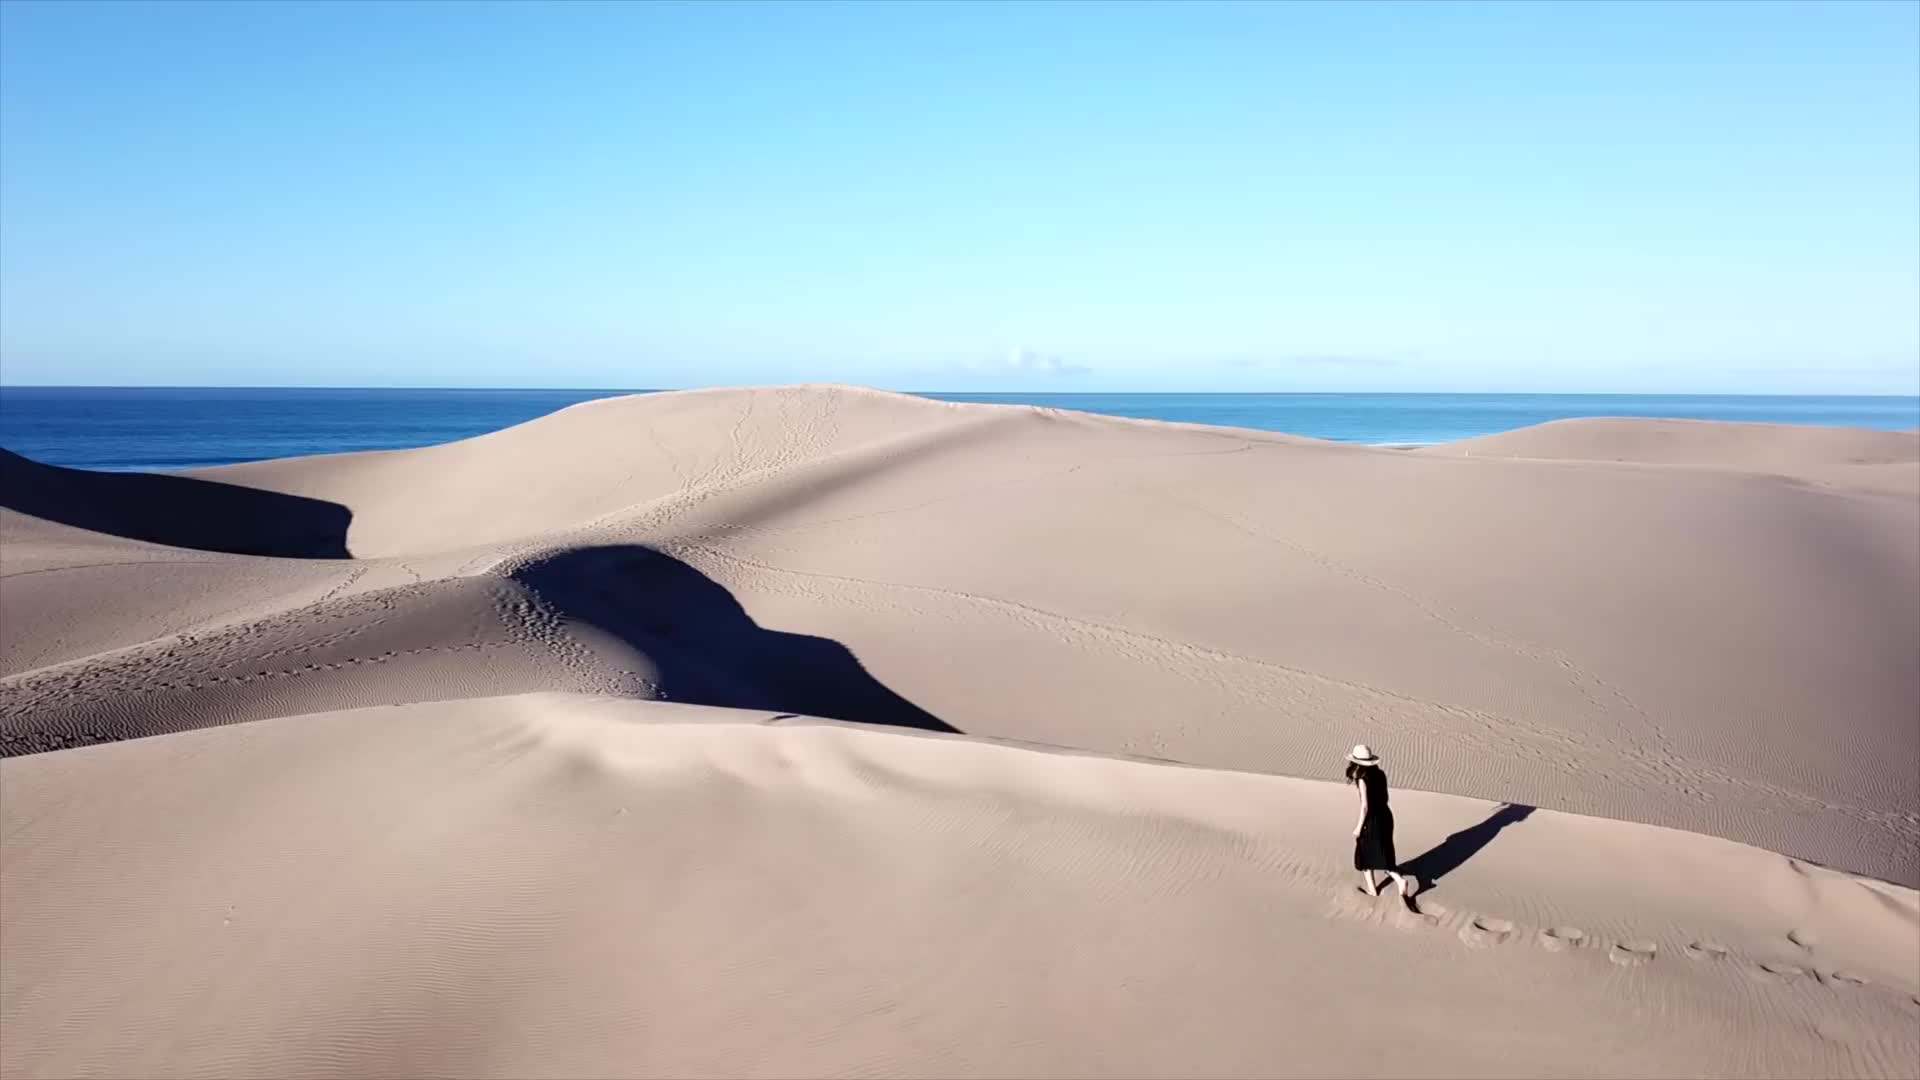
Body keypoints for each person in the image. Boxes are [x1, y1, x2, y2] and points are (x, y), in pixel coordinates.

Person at [1346, 744, 1411, 900]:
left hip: (1372, 819)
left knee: (1364, 855)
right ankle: (1399, 880)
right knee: (1385, 852)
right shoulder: (1380, 774)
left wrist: (1358, 828)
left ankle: (1372, 890)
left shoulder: (1362, 779)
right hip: (1386, 816)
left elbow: (1365, 807)